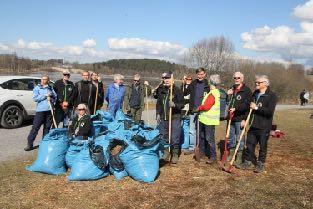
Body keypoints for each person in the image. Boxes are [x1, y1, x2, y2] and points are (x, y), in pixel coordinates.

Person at [237, 75, 277, 173]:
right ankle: (247, 162)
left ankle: (260, 164)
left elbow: (269, 112)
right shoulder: (255, 94)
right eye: (256, 82)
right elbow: (248, 108)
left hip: (264, 126)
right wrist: (244, 119)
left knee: (262, 146)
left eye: (258, 83)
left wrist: (256, 108)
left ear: (265, 84)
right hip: (253, 125)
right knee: (249, 145)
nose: (256, 84)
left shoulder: (272, 96)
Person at [155, 72, 184, 164]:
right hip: (164, 117)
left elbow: (182, 104)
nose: (166, 80)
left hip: (175, 117)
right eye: (164, 78)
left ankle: (175, 154)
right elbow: (159, 103)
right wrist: (158, 114)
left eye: (168, 78)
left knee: (175, 137)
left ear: (172, 79)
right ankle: (166, 153)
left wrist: (175, 105)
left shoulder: (177, 90)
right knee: (164, 136)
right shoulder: (161, 90)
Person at [25, 75, 57, 151]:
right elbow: (35, 98)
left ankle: (44, 143)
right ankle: (30, 144)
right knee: (35, 127)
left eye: (45, 79)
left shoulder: (50, 88)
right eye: (42, 79)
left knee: (47, 128)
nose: (43, 81)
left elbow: (55, 97)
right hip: (40, 111)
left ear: (48, 80)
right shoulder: (37, 88)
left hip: (49, 111)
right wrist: (45, 96)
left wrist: (52, 98)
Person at [226, 71, 252, 166]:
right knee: (231, 137)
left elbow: (247, 105)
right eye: (235, 78)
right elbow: (228, 103)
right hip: (231, 118)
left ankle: (239, 157)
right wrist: (227, 95)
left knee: (240, 138)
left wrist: (244, 119)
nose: (236, 79)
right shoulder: (232, 88)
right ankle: (231, 153)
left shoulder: (246, 90)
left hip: (240, 118)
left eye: (238, 78)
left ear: (242, 79)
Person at [195, 74, 221, 164]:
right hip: (204, 119)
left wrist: (199, 108)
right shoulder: (213, 92)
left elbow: (206, 106)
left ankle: (213, 157)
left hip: (209, 120)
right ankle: (202, 152)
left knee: (209, 138)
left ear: (211, 82)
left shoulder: (213, 93)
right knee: (202, 136)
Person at [185, 68, 209, 153]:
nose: (200, 76)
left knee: (203, 131)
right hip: (193, 110)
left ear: (205, 74)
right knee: (192, 130)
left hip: (203, 111)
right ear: (196, 75)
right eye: (198, 74)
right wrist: (186, 84)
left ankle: (202, 148)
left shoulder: (208, 85)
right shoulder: (193, 83)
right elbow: (185, 93)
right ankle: (192, 148)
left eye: (202, 74)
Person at [181, 75, 193, 152]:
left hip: (188, 109)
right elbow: (181, 95)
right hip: (182, 109)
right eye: (186, 79)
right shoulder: (182, 86)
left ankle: (186, 144)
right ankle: (183, 142)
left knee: (187, 127)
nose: (188, 80)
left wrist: (185, 101)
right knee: (182, 126)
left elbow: (189, 98)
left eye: (189, 79)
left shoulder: (192, 87)